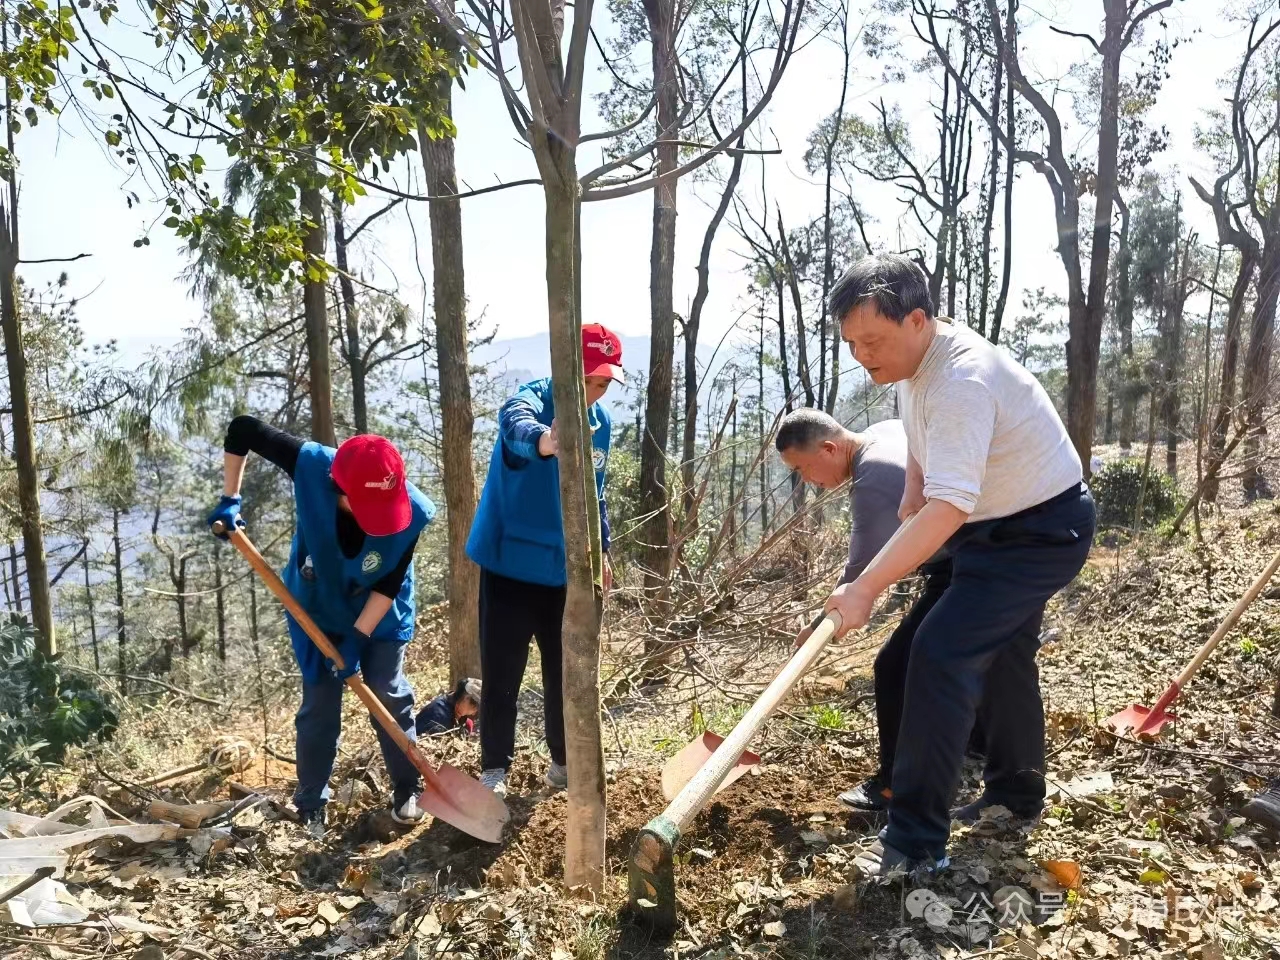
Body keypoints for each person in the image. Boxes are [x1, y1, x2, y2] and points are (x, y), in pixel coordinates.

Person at [819, 253, 1095, 876]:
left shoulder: (961, 381)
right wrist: (915, 483)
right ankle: (1015, 794)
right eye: (852, 343)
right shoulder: (914, 362)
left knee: (940, 653)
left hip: (1041, 532)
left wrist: (865, 587)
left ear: (918, 319)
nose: (862, 355)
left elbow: (948, 509)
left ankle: (915, 845)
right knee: (1001, 654)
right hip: (993, 528)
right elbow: (922, 432)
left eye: (872, 341)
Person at [208, 420, 436, 837]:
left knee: (387, 690)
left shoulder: (414, 512)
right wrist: (230, 498)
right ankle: (311, 802)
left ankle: (408, 787)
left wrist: (357, 639)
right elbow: (242, 430)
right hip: (315, 606)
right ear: (339, 488)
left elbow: (388, 584)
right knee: (319, 701)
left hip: (381, 612)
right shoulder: (313, 466)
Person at [776, 409, 970, 814]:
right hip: (966, 557)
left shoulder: (873, 477)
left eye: (803, 468)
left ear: (829, 448)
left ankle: (894, 785)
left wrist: (820, 626)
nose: (807, 480)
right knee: (956, 659)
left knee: (894, 665)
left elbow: (860, 572)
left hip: (964, 563)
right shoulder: (883, 432)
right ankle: (976, 751)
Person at [465, 323, 624, 798]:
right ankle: (495, 769)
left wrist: (602, 551)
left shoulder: (601, 425)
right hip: (509, 568)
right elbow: (515, 427)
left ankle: (563, 762)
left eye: (604, 383)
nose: (595, 392)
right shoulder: (532, 401)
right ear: (565, 370)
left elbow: (596, 496)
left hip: (563, 571)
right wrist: (547, 440)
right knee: (502, 675)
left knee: (565, 673)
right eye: (588, 380)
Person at [415, 678, 482, 736]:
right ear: (466, 698)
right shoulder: (438, 716)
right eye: (475, 706)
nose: (474, 713)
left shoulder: (457, 708)